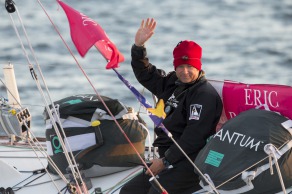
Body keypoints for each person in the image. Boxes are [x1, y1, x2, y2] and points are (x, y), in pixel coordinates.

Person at [120, 18, 223, 194]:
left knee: (156, 192)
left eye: (189, 66)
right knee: (129, 191)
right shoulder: (172, 82)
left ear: (198, 66)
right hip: (167, 156)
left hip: (192, 161)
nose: (184, 71)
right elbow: (146, 74)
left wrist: (166, 160)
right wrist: (138, 47)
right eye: (180, 66)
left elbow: (194, 138)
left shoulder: (203, 95)